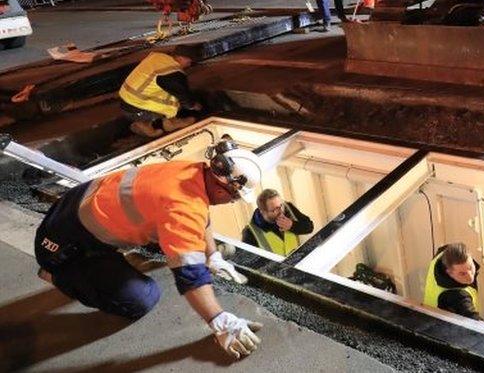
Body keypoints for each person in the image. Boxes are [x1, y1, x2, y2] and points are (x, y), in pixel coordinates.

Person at [33, 138, 264, 359]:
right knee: (142, 298)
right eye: (234, 199)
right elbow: (190, 275)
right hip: (65, 244)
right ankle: (58, 274)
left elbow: (200, 216)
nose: (231, 202)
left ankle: (99, 265)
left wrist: (212, 256)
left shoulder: (194, 172)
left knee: (173, 237)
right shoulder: (183, 206)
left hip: (76, 201)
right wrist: (219, 321)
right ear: (224, 189)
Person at [120, 45, 203, 138]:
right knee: (176, 98)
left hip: (126, 98)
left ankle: (152, 121)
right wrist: (193, 106)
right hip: (137, 107)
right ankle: (149, 124)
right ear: (180, 58)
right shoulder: (172, 73)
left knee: (167, 91)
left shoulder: (158, 57)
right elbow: (184, 97)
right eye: (189, 61)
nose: (189, 65)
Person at [241, 189, 314, 256]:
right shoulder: (250, 233)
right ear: (263, 212)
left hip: (299, 262)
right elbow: (245, 264)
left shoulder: (288, 208)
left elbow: (310, 227)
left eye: (281, 205)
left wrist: (292, 225)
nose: (281, 211)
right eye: (274, 210)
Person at [422, 242, 481, 320]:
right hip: (441, 327)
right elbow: (477, 324)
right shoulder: (458, 297)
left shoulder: (443, 255)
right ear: (449, 272)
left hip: (428, 316)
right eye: (462, 274)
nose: (470, 277)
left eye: (470, 267)